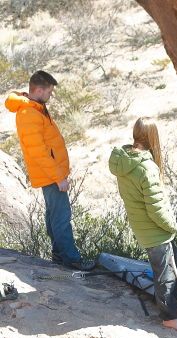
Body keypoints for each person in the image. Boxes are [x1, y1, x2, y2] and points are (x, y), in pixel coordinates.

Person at [108, 118, 177, 334]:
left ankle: (173, 304)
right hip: (155, 229)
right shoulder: (146, 168)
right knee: (165, 275)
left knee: (175, 269)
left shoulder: (125, 160)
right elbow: (156, 208)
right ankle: (169, 317)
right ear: (152, 137)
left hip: (143, 226)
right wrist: (171, 225)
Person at [4, 70, 95, 270]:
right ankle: (72, 260)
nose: (50, 96)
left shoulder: (36, 107)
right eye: (49, 91)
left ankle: (60, 257)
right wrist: (59, 177)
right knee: (61, 216)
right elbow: (39, 152)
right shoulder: (29, 113)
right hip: (50, 175)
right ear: (38, 89)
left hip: (50, 173)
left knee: (54, 215)